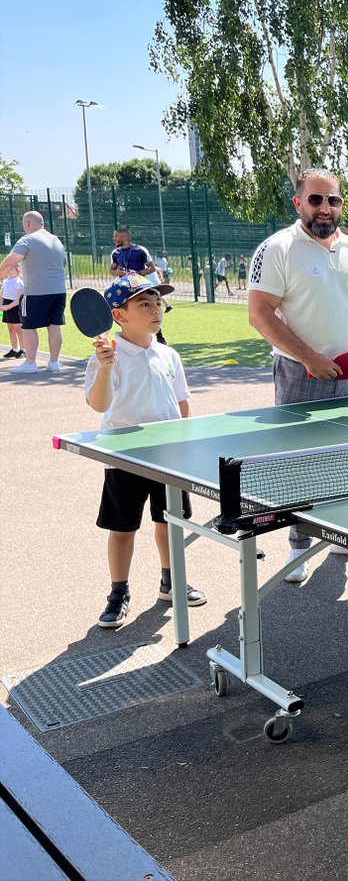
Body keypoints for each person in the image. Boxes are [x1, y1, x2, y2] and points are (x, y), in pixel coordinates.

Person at [247, 168, 348, 583]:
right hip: (299, 373)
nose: (325, 208)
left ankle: (343, 535)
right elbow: (259, 314)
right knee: (301, 465)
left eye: (334, 200)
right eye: (316, 199)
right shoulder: (277, 248)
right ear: (298, 202)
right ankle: (298, 549)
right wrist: (308, 357)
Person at [84, 276, 206, 629]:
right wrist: (105, 367)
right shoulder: (108, 355)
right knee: (122, 528)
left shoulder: (168, 354)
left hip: (168, 455)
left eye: (158, 303)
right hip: (126, 457)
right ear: (119, 315)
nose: (156, 310)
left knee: (170, 523)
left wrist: (185, 443)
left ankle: (172, 581)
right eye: (145, 304)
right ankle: (118, 592)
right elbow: (98, 404)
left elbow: (182, 403)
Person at [0, 211, 67, 373]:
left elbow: (12, 260)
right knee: (54, 325)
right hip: (59, 290)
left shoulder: (27, 239)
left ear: (27, 223)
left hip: (36, 291)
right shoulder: (56, 240)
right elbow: (61, 264)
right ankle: (54, 363)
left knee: (28, 326)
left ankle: (30, 363)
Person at [2, 265, 25, 359]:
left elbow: (19, 298)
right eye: (9, 268)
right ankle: (14, 349)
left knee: (18, 328)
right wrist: (1, 305)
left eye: (12, 268)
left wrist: (8, 306)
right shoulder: (5, 281)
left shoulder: (19, 282)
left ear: (18, 270)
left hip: (15, 306)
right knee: (10, 328)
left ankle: (23, 350)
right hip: (7, 305)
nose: (10, 270)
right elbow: (2, 295)